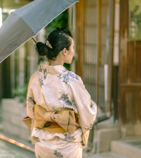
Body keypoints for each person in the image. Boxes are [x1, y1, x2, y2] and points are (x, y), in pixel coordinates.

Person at [26, 27, 97, 158]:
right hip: (67, 145)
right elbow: (88, 112)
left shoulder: (35, 78)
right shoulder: (72, 79)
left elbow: (31, 111)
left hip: (43, 143)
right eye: (73, 47)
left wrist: (47, 115)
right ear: (65, 51)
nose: (73, 51)